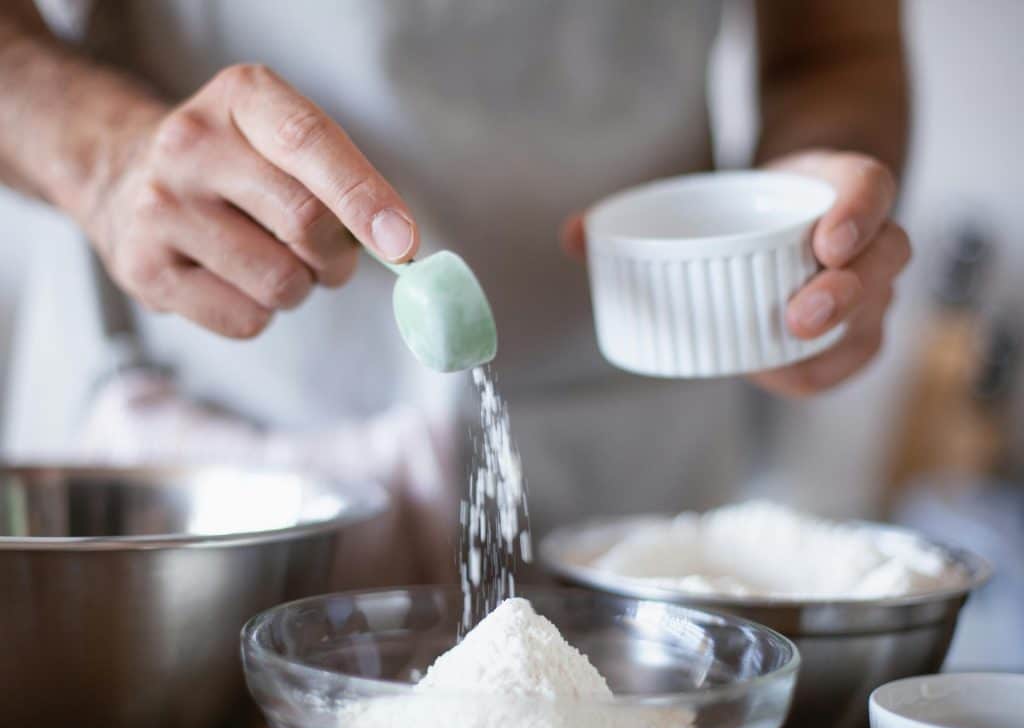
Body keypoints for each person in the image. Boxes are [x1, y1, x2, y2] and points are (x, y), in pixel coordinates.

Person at [0, 1, 910, 584]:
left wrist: (803, 213)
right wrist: (106, 157)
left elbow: (837, 39)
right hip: (205, 466)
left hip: (633, 465)